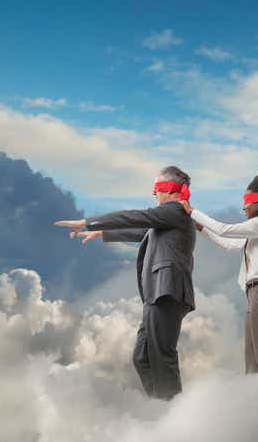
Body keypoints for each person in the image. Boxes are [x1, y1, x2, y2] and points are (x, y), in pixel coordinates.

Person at [54, 166, 196, 400]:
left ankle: (174, 413)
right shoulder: (169, 218)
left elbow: (135, 216)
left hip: (166, 292)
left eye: (157, 189)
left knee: (162, 357)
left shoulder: (175, 211)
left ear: (171, 190)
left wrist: (87, 222)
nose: (154, 194)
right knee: (142, 357)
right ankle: (160, 406)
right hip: (157, 293)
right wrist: (102, 233)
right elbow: (144, 232)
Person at [181, 173, 258, 374]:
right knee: (252, 361)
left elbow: (224, 229)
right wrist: (199, 226)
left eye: (247, 202)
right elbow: (229, 244)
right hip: (256, 294)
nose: (244, 207)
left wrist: (193, 211)